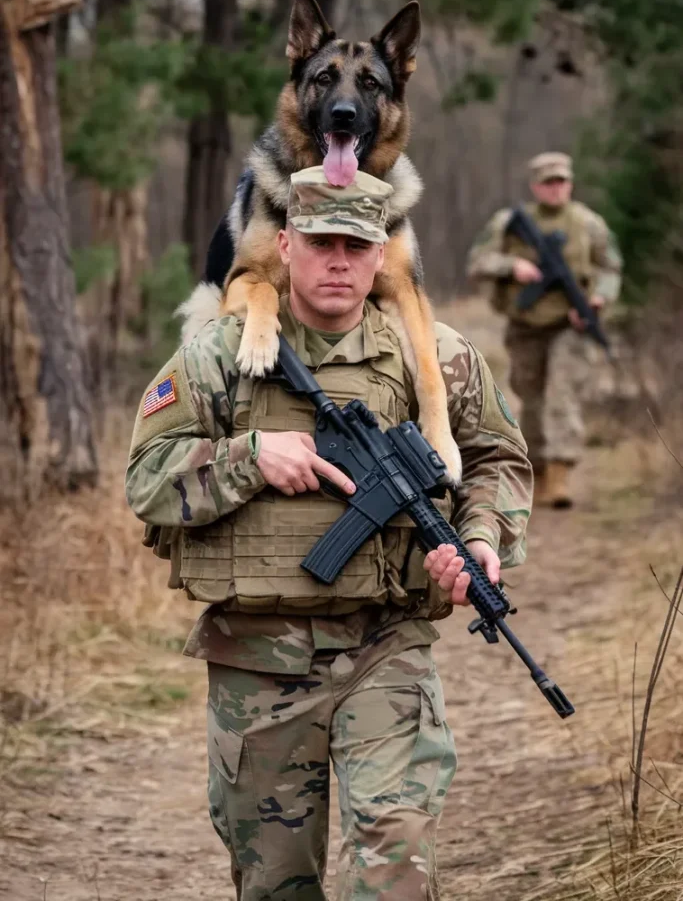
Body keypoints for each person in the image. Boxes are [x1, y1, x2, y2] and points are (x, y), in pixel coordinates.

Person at [125, 167, 533, 901]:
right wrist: (251, 456)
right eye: (320, 243)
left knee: (396, 858)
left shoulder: (432, 353)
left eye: (356, 244)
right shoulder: (221, 354)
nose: (338, 260)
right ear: (285, 245)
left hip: (387, 645)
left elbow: (497, 458)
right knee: (275, 880)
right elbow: (146, 478)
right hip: (258, 663)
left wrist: (480, 541)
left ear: (382, 256)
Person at [467, 152, 622, 508]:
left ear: (570, 183)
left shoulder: (589, 224)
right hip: (525, 325)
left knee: (561, 394)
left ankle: (560, 474)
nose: (556, 189)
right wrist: (512, 266)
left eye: (562, 182)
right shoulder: (508, 223)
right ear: (535, 186)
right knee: (530, 394)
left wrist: (597, 301)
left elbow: (610, 267)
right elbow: (478, 262)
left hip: (570, 325)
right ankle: (535, 466)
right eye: (548, 182)